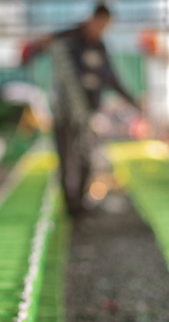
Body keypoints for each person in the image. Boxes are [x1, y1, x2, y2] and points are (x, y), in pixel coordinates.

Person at [22, 4, 140, 215]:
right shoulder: (67, 41)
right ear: (92, 19)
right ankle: (70, 205)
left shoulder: (99, 47)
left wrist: (132, 100)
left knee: (86, 155)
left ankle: (81, 203)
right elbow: (38, 48)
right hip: (65, 113)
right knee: (67, 158)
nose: (100, 29)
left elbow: (110, 77)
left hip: (87, 115)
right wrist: (30, 51)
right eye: (99, 24)